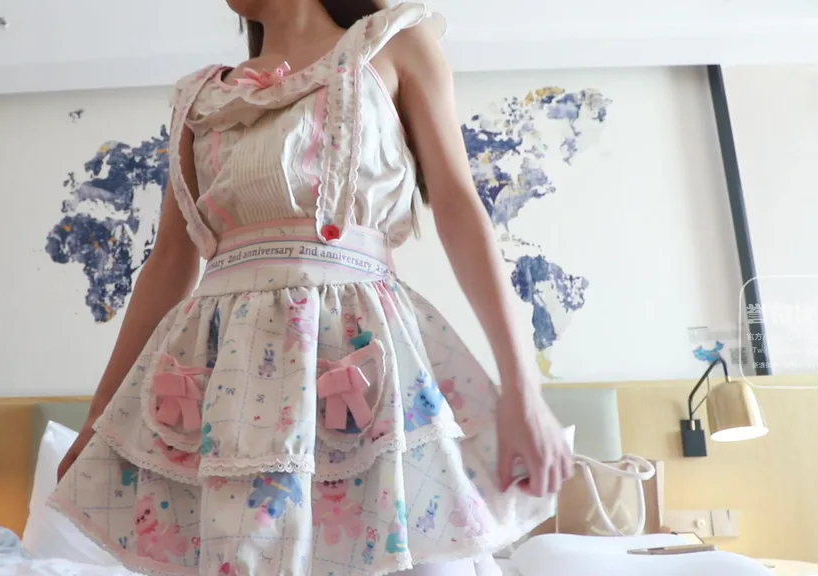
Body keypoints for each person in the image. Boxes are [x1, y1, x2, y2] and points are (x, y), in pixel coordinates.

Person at [52, 1, 574, 574]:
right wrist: (99, 420)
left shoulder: (395, 46)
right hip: (227, 382)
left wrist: (524, 392)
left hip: (361, 360)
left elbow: (458, 207)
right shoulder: (198, 99)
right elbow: (171, 260)